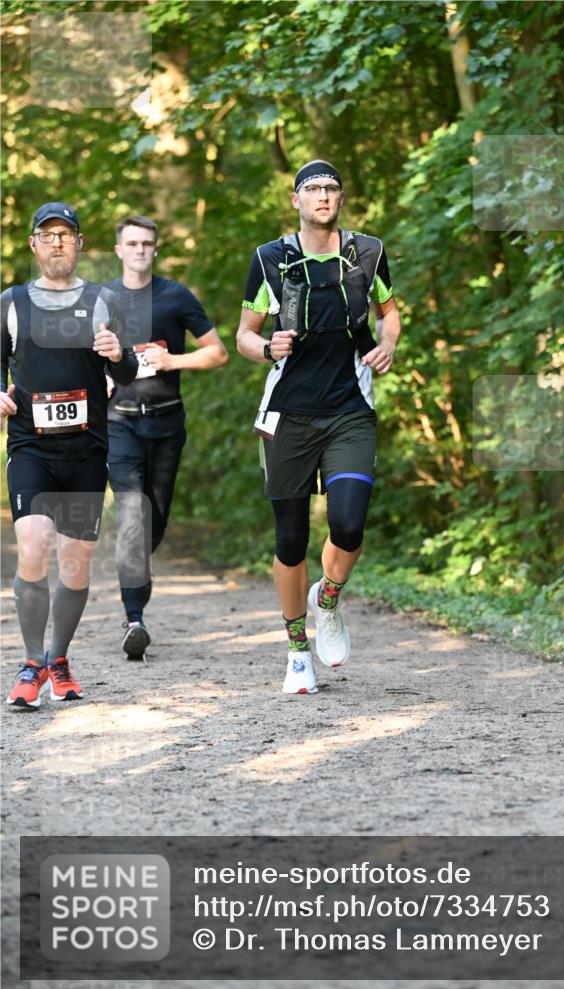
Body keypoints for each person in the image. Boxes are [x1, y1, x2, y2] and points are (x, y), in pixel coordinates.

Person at [236, 160, 400, 694]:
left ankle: (327, 599)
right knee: (290, 540)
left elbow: (388, 312)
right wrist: (265, 346)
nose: (323, 196)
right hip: (286, 414)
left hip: (350, 409)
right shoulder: (270, 259)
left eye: (330, 188)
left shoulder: (367, 253)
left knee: (349, 525)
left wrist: (388, 343)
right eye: (313, 189)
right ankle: (296, 649)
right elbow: (244, 333)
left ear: (342, 198)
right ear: (296, 200)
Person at [1, 202, 138, 709]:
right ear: (33, 245)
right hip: (31, 447)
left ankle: (59, 659)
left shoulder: (104, 302)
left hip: (86, 450)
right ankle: (32, 662)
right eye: (47, 234)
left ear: (79, 244)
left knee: (75, 566)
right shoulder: (11, 303)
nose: (57, 242)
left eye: (66, 234)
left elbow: (127, 374)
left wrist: (119, 355)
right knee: (34, 548)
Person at [106, 215, 228, 658]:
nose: (140, 250)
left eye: (147, 244)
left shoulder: (175, 296)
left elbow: (218, 353)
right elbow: (81, 355)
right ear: (118, 250)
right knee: (133, 516)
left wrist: (172, 360)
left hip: (166, 423)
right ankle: (134, 618)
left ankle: (139, 567)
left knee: (152, 523)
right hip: (118, 422)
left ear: (156, 250)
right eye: (132, 243)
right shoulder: (101, 300)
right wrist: (98, 375)